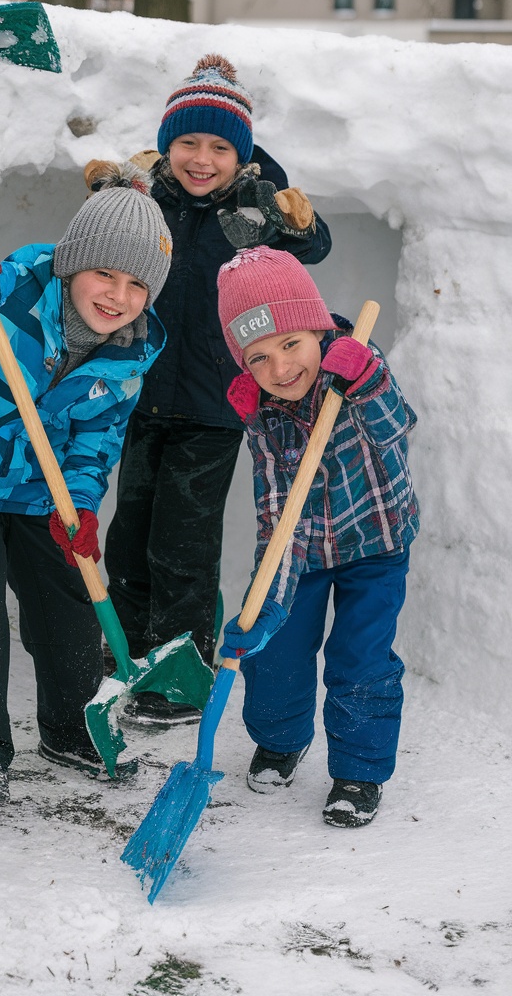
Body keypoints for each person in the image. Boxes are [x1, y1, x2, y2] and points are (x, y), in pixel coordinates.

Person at [0, 174, 172, 806]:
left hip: (37, 489)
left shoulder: (134, 350)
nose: (119, 296)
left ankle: (72, 727)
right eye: (106, 274)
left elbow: (98, 436)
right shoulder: (11, 286)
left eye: (137, 285)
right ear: (73, 263)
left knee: (67, 597)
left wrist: (78, 503)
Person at [101, 54, 331, 722]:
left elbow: (310, 246)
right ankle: (129, 655)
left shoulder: (256, 205)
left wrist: (292, 222)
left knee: (183, 544)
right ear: (167, 146)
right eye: (188, 143)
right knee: (130, 534)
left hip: (212, 405)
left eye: (220, 147)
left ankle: (181, 675)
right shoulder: (152, 200)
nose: (202, 159)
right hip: (139, 398)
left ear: (242, 154)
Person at [216, 245, 419, 828]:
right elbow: (277, 505)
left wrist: (369, 379)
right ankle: (281, 740)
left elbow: (398, 427)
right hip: (301, 548)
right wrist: (266, 596)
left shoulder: (357, 369)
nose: (280, 369)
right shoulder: (267, 411)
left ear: (317, 327)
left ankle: (357, 771)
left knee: (361, 659)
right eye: (258, 358)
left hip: (376, 542)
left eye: (290, 344)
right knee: (274, 645)